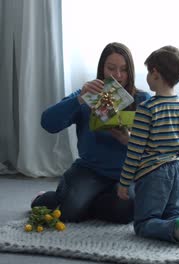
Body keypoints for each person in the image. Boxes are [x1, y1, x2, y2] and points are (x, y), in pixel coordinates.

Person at [31, 42, 151, 223]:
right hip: (90, 170)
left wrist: (129, 140)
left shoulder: (142, 100)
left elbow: (157, 147)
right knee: (70, 213)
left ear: (131, 72)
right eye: (111, 68)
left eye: (123, 70)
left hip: (127, 174)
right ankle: (54, 198)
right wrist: (79, 99)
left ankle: (84, 202)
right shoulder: (87, 94)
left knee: (125, 211)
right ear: (102, 69)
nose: (117, 76)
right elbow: (48, 123)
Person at [117, 45, 179, 247]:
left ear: (155, 73)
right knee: (171, 215)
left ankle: (175, 229)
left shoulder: (147, 109)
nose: (146, 76)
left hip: (152, 173)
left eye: (148, 72)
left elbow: (135, 149)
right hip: (175, 171)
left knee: (144, 223)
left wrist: (124, 181)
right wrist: (175, 165)